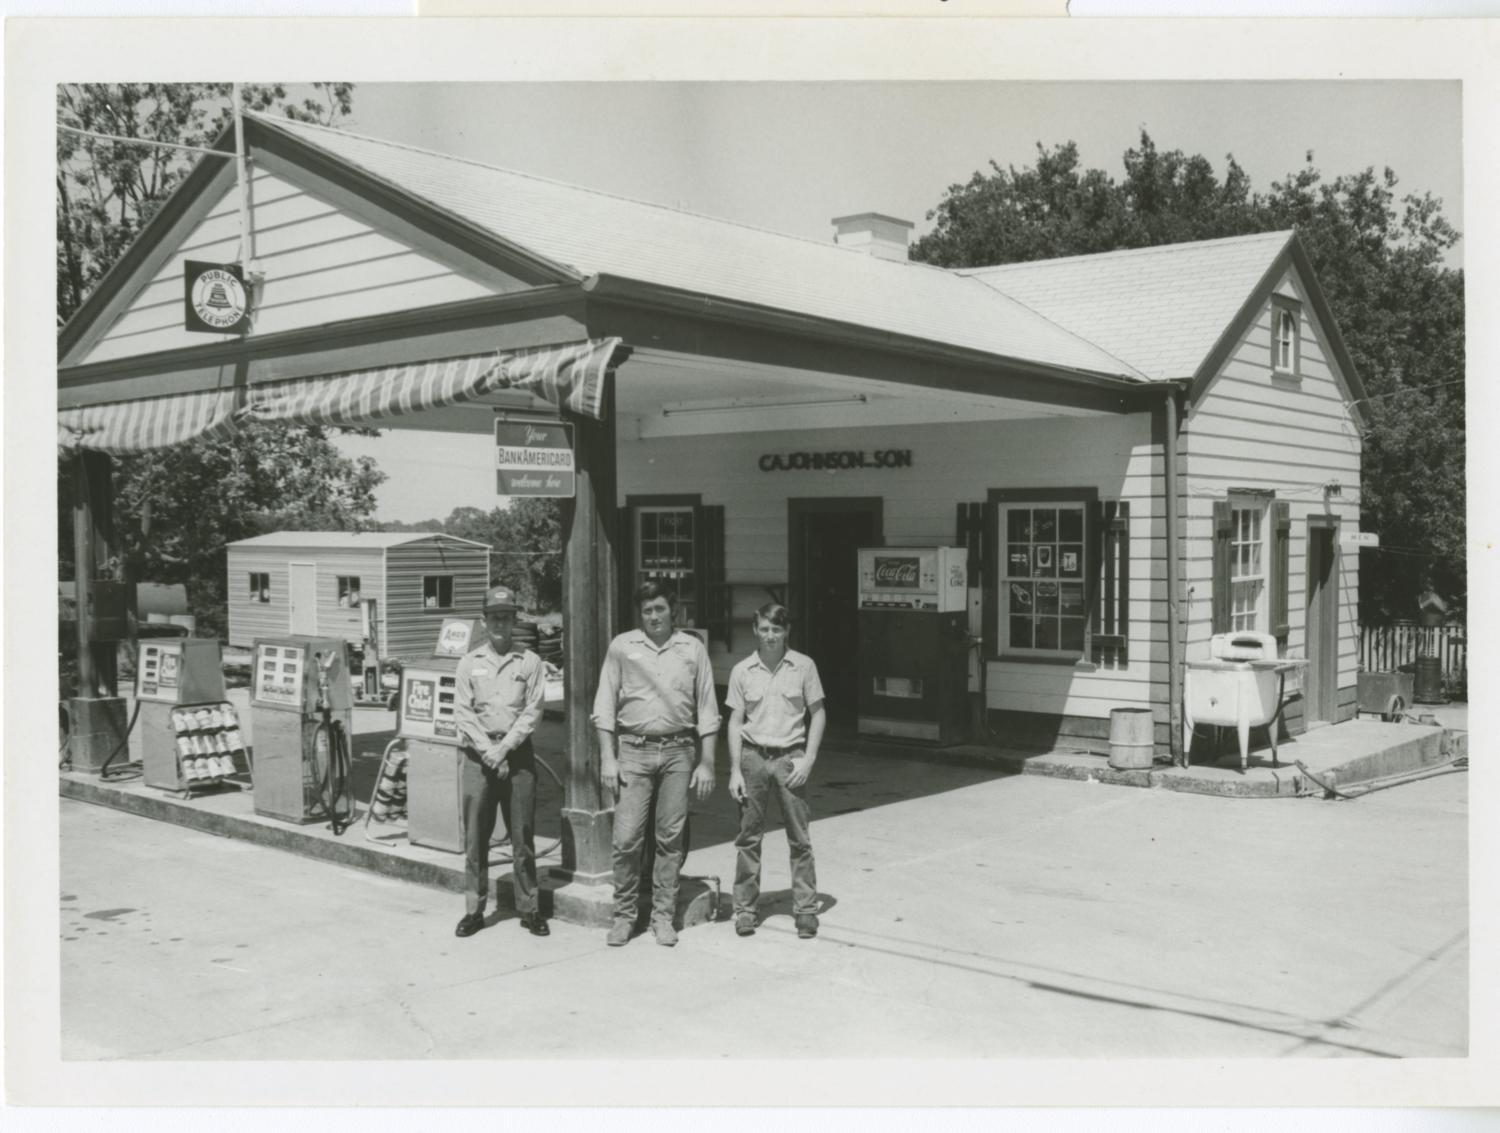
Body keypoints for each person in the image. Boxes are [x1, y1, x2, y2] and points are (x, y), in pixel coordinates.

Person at [593, 582, 719, 947]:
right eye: (647, 611)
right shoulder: (622, 646)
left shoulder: (692, 649)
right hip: (633, 750)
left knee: (670, 838)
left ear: (673, 610)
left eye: (660, 609)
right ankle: (624, 917)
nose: (653, 617)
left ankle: (663, 917)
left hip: (679, 751)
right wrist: (607, 758)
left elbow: (708, 710)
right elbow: (604, 707)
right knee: (627, 838)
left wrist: (707, 762)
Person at [452, 585, 548, 939]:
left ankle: (530, 908)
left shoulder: (530, 661)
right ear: (484, 620)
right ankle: (474, 910)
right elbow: (462, 712)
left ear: (515, 620)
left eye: (507, 617)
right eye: (494, 617)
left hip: (517, 754)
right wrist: (489, 752)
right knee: (476, 838)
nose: (501, 623)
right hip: (478, 757)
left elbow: (533, 711)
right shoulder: (469, 662)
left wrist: (504, 749)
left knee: (522, 837)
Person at [725, 602, 825, 940]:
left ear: (787, 632)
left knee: (799, 838)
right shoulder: (742, 671)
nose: (770, 636)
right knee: (748, 838)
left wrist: (808, 759)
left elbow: (818, 714)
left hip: (790, 758)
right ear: (755, 630)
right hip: (753, 758)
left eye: (777, 630)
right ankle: (745, 910)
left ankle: (807, 910)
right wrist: (735, 771)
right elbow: (735, 721)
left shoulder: (804, 666)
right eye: (765, 629)